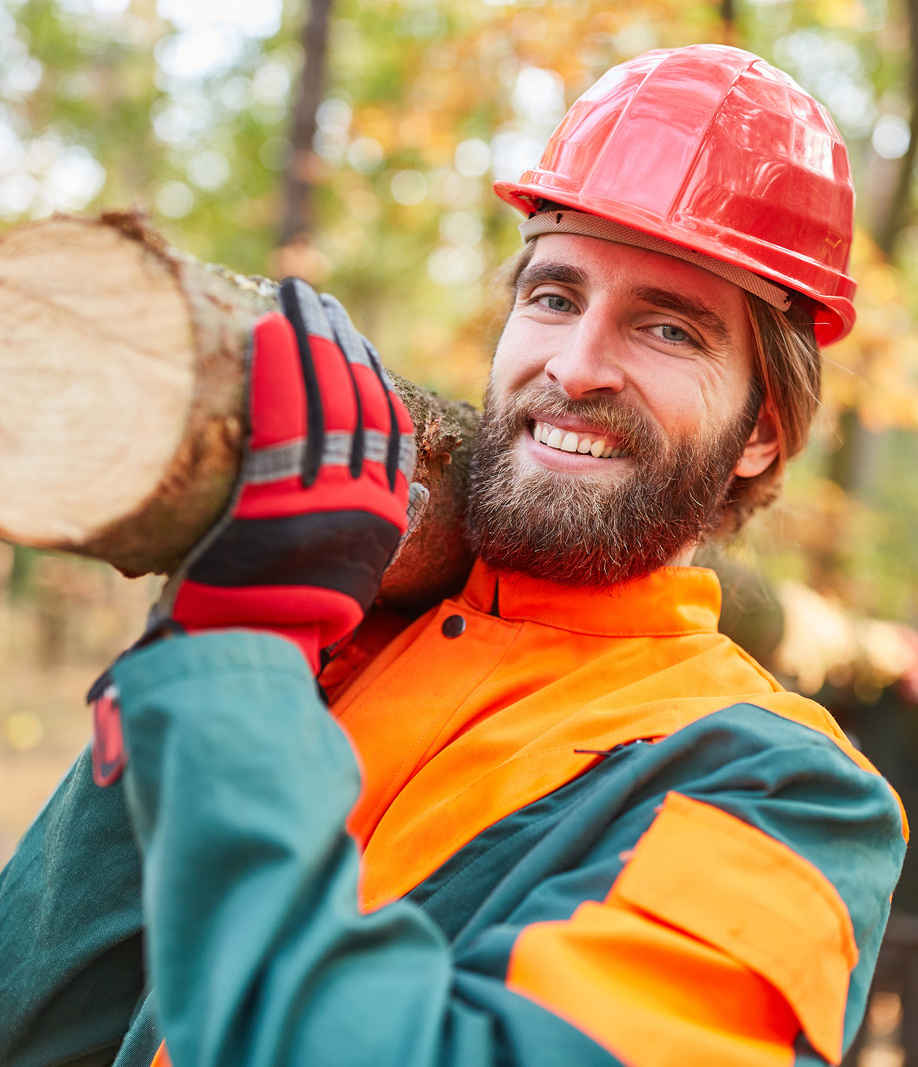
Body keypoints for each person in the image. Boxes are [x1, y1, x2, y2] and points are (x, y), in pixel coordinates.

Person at [0, 42, 907, 1067]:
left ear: (762, 431)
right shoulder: (330, 635)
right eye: (555, 297)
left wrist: (234, 667)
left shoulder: (785, 790)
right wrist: (208, 642)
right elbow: (33, 1026)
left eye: (667, 327)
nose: (574, 364)